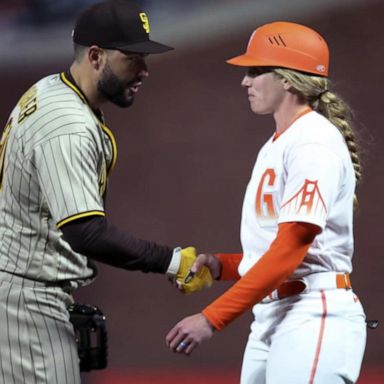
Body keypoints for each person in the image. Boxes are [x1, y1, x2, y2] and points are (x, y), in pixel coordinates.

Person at [0, 1, 212, 383]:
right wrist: (171, 261)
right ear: (96, 56)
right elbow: (87, 233)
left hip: (18, 290)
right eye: (133, 58)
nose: (144, 70)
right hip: (25, 302)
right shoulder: (68, 124)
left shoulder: (50, 89)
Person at [166, 21, 367, 384]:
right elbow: (280, 252)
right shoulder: (279, 143)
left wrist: (212, 317)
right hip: (276, 313)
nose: (245, 81)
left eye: (256, 71)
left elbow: (291, 248)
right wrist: (222, 265)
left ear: (288, 78)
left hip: (312, 313)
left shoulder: (313, 141)